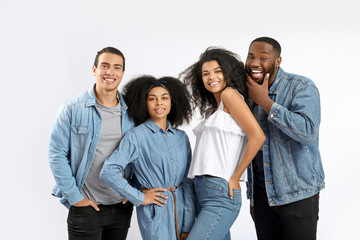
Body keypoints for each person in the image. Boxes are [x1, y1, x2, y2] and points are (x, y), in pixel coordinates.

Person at [48, 47, 135, 240]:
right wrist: (74, 197)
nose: (110, 72)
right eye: (104, 66)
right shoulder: (72, 108)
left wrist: (134, 189)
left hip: (121, 206)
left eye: (117, 67)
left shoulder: (132, 111)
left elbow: (141, 153)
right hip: (85, 206)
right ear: (94, 69)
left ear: (122, 73)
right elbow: (56, 153)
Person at [245, 37, 325, 240]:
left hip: (298, 194)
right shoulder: (245, 93)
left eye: (263, 57)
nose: (255, 63)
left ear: (278, 61)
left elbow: (307, 132)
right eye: (251, 56)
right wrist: (253, 199)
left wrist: (265, 101)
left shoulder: (301, 87)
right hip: (263, 196)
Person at [181, 47, 265, 240]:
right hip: (203, 191)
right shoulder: (213, 109)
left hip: (221, 192)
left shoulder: (230, 95)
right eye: (205, 73)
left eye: (218, 71)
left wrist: (235, 177)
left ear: (228, 72)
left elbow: (258, 136)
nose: (211, 77)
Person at [100, 76, 195, 240]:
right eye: (152, 99)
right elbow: (108, 171)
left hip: (183, 210)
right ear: (144, 104)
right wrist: (139, 197)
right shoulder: (136, 136)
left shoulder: (181, 137)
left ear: (172, 102)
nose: (159, 103)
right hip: (154, 211)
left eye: (164, 98)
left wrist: (188, 222)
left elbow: (187, 182)